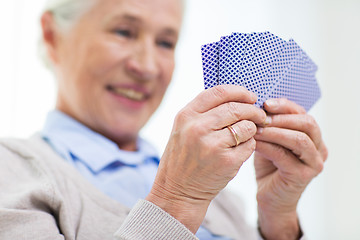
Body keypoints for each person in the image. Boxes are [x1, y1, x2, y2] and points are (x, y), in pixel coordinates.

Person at [0, 0, 328, 239]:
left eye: (165, 42)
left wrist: (279, 220)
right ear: (52, 34)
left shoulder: (221, 196)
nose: (148, 67)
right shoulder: (11, 170)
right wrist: (177, 200)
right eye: (124, 32)